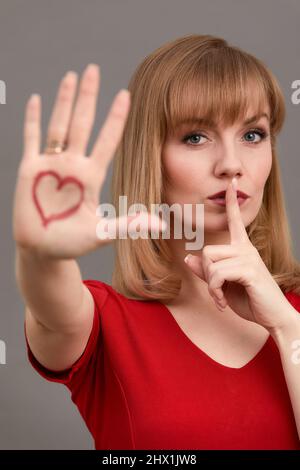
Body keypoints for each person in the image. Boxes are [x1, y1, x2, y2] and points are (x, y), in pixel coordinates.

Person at [13, 34, 300, 450]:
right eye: (195, 137)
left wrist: (287, 326)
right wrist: (39, 255)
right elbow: (50, 304)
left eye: (252, 135)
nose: (232, 165)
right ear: (151, 156)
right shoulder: (104, 325)